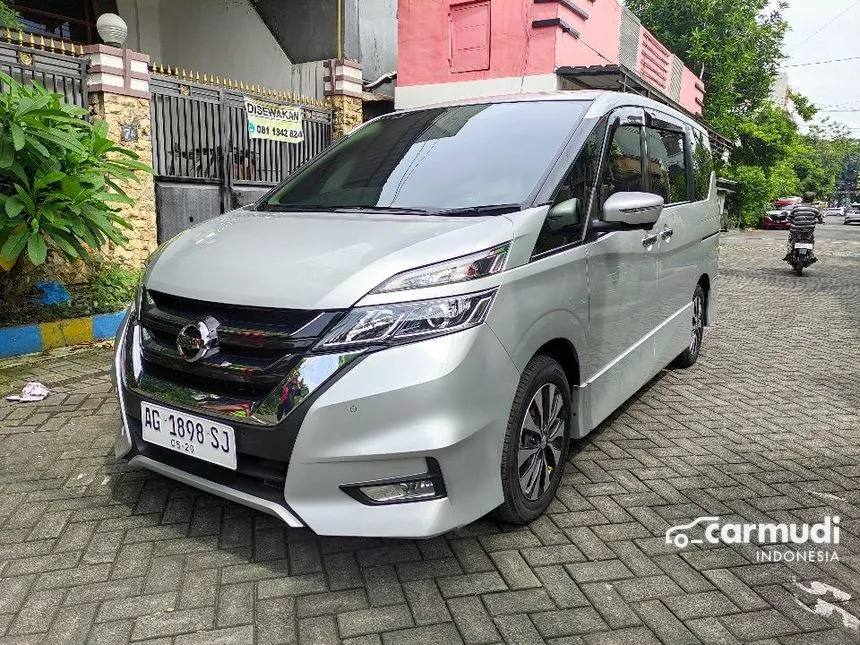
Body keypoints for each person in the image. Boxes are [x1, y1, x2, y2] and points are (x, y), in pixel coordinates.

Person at [783, 192, 819, 262]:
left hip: (795, 230)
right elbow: (820, 217)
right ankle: (811, 254)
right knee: (811, 240)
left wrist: (789, 220)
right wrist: (820, 221)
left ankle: (790, 252)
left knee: (791, 239)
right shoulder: (815, 208)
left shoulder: (796, 207)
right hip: (808, 230)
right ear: (813, 199)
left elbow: (790, 218)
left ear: (803, 198)